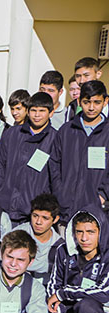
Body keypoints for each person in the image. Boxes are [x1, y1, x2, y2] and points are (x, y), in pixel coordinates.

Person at [47, 206, 109, 313]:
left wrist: (63, 293)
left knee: (86, 308)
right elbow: (53, 289)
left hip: (91, 311)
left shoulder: (107, 256)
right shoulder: (63, 251)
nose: (83, 238)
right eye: (79, 232)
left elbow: (105, 291)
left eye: (90, 232)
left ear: (101, 232)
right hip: (65, 310)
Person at [0, 92, 57, 226]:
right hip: (6, 206)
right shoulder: (12, 133)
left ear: (51, 113)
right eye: (33, 111)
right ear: (28, 111)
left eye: (42, 111)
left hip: (34, 212)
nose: (37, 115)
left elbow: (56, 177)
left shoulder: (56, 139)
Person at [49, 80, 109, 226]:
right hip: (66, 210)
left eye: (97, 102)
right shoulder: (66, 130)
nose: (91, 107)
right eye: (87, 102)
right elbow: (54, 163)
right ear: (79, 101)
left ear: (105, 101)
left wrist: (103, 195)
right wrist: (60, 192)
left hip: (96, 211)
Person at [12, 193, 63, 285]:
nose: (38, 222)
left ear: (55, 220)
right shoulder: (17, 235)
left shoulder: (59, 245)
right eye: (35, 216)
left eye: (45, 218)